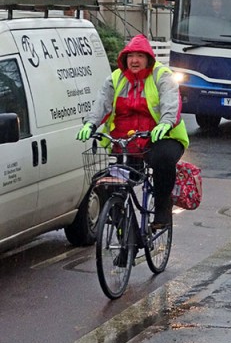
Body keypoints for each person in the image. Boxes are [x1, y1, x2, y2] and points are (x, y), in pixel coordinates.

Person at [76, 34, 189, 229]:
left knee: (162, 162)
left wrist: (166, 123)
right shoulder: (116, 78)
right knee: (108, 182)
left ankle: (162, 209)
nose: (134, 60)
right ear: (124, 59)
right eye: (130, 56)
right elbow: (102, 102)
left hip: (161, 136)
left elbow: (171, 101)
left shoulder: (162, 75)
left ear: (148, 59)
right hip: (126, 140)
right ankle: (123, 226)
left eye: (140, 55)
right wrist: (90, 124)